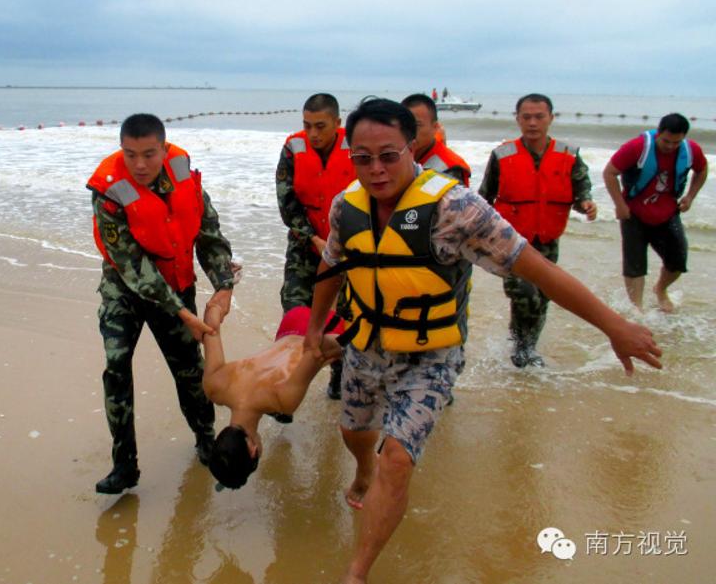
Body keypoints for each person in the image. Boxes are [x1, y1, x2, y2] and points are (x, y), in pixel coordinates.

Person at [304, 98, 661, 584]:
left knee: (398, 461)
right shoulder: (348, 206)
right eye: (362, 158)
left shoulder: (457, 208)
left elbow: (539, 269)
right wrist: (313, 329)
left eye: (389, 155)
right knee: (354, 434)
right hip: (365, 347)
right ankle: (361, 467)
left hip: (429, 357)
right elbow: (331, 265)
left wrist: (613, 325)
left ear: (413, 148)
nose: (376, 169)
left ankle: (357, 573)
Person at [88, 113, 237, 494]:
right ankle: (124, 466)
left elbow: (208, 233)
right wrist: (183, 313)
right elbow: (130, 264)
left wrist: (223, 284)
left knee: (189, 369)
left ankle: (205, 439)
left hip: (176, 280)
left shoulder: (183, 172)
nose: (140, 165)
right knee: (117, 366)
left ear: (164, 148)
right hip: (125, 289)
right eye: (130, 154)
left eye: (149, 154)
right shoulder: (109, 188)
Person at [479, 93, 597, 367]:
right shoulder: (502, 154)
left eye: (539, 117)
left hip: (547, 241)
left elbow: (581, 188)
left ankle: (524, 345)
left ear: (551, 118)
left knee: (543, 296)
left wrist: (586, 203)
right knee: (524, 294)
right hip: (509, 242)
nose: (532, 123)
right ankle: (522, 349)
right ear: (517, 119)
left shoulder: (569, 154)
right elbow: (484, 197)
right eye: (526, 117)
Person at [201, 304, 343, 489]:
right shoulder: (214, 387)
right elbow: (211, 323)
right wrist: (220, 302)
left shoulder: (283, 400)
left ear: (253, 451)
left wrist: (360, 343)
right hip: (292, 322)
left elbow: (318, 352)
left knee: (333, 301)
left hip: (322, 331)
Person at [276, 93, 356, 400]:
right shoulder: (293, 147)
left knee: (345, 319)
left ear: (337, 123)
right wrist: (312, 238)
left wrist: (338, 244)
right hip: (304, 245)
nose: (313, 134)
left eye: (320, 126)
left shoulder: (357, 148)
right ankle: (288, 384)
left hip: (349, 249)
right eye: (307, 125)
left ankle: (339, 378)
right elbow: (286, 201)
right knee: (295, 311)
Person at [603, 113, 708, 312]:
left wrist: (690, 197)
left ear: (684, 137)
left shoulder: (691, 150)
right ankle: (638, 308)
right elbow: (609, 172)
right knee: (635, 264)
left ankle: (660, 289)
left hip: (667, 212)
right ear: (658, 132)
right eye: (666, 141)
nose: (670, 146)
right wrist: (619, 204)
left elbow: (702, 170)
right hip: (633, 212)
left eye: (676, 142)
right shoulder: (637, 147)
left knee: (678, 261)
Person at [402, 93, 472, 186]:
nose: (410, 131)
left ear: (435, 127)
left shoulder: (449, 168)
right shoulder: (399, 154)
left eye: (417, 125)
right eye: (405, 125)